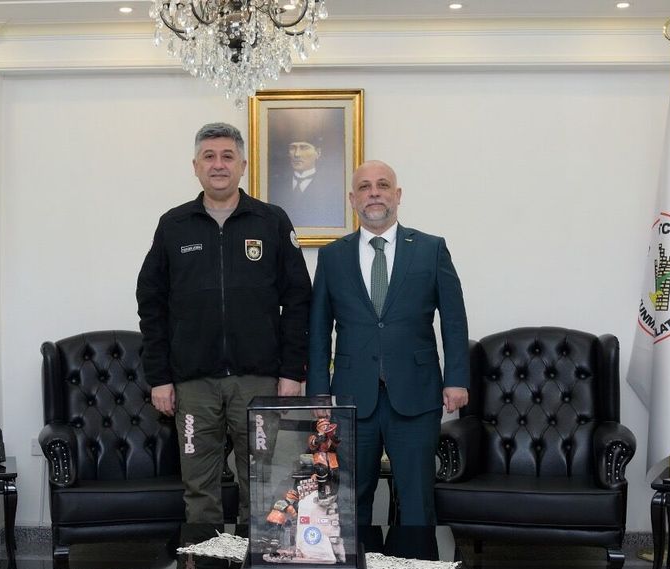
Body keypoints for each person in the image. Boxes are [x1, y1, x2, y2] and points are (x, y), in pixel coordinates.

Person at [137, 122, 312, 524]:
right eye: (210, 157)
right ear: (195, 166)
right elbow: (151, 304)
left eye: (227, 156)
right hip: (193, 384)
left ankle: (258, 564)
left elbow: (298, 300)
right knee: (199, 488)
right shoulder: (173, 225)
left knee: (264, 485)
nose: (219, 165)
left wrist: (292, 372)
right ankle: (206, 563)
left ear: (243, 165)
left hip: (259, 381)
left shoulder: (271, 221)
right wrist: (159, 378)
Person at [307, 160, 469, 527]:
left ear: (397, 195)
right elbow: (318, 329)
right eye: (364, 187)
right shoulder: (332, 256)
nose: (374, 193)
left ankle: (417, 565)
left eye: (382, 185)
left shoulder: (431, 249)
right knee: (350, 500)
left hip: (417, 395)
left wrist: (456, 379)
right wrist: (318, 390)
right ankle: (358, 567)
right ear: (353, 199)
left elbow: (454, 320)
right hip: (351, 398)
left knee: (417, 500)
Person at [268, 137, 344, 228]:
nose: (297, 154)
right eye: (292, 148)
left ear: (318, 153)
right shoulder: (276, 184)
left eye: (304, 148)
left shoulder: (332, 187)